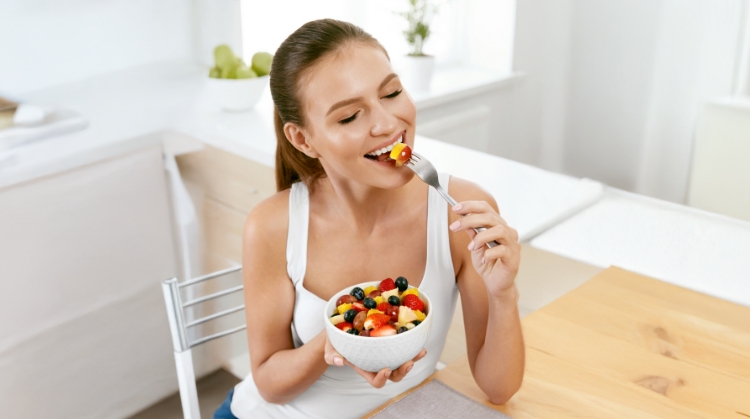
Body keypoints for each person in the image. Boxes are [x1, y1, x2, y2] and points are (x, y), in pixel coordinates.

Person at [214, 18, 524, 419]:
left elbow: (498, 389)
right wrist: (337, 340)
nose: (387, 124)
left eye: (391, 93)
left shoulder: (460, 211)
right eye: (349, 117)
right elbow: (269, 383)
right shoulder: (273, 225)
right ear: (303, 139)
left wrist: (503, 293)